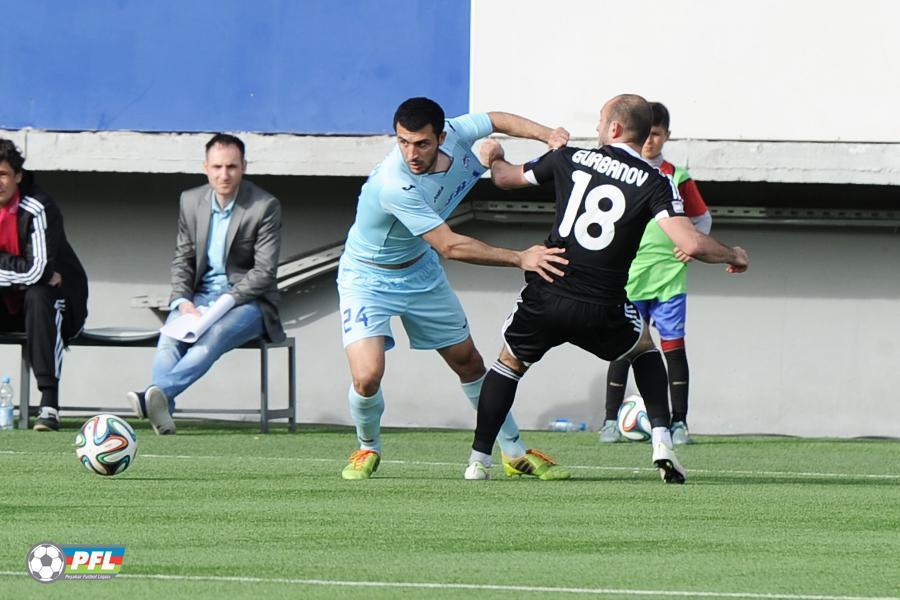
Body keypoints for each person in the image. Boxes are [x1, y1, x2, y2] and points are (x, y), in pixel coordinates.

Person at [467, 94, 748, 484]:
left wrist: (495, 156)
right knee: (644, 347)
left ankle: (478, 461)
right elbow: (692, 243)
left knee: (509, 364)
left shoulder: (569, 158)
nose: (597, 127)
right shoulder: (656, 180)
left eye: (600, 121)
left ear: (614, 128)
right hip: (603, 304)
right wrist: (734, 254)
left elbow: (504, 179)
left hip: (549, 289)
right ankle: (663, 442)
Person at [338, 97, 572, 480]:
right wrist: (520, 258)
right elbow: (450, 246)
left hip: (420, 272)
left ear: (442, 137)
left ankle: (514, 453)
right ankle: (367, 447)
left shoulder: (458, 132)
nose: (411, 153)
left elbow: (496, 118)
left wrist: (548, 135)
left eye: (421, 144)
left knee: (469, 362)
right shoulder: (394, 184)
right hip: (367, 279)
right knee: (367, 376)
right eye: (403, 142)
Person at [128, 134, 284, 435]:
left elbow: (264, 272)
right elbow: (183, 258)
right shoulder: (190, 201)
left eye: (232, 167)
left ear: (244, 167)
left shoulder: (264, 206)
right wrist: (182, 301)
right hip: (199, 297)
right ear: (205, 167)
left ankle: (154, 396)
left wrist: (225, 302)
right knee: (168, 340)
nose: (224, 174)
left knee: (213, 336)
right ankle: (162, 413)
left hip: (247, 302)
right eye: (217, 167)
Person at [601, 102, 712, 445]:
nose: (651, 141)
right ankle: (609, 420)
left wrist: (691, 247)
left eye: (658, 134)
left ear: (667, 136)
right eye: (647, 134)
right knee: (623, 347)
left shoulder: (676, 176)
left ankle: (680, 423)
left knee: (673, 348)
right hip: (630, 277)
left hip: (669, 278)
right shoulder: (623, 172)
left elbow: (702, 218)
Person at [0, 139, 89, 431]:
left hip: (60, 303)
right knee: (36, 288)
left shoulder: (38, 206)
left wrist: (29, 275)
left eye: (2, 174)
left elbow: (39, 271)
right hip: (9, 303)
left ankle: (49, 404)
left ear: (17, 176)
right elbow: (34, 271)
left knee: (40, 295)